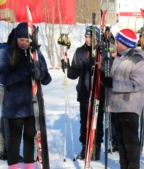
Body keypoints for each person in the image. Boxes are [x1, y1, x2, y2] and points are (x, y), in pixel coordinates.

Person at [0, 22, 52, 169]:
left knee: (30, 141)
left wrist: (38, 73)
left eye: (27, 41)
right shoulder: (6, 52)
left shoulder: (35, 52)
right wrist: (26, 69)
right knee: (14, 141)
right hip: (14, 105)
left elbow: (47, 78)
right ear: (16, 39)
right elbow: (4, 79)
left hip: (32, 105)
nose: (24, 43)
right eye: (21, 40)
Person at [103, 28, 144, 169]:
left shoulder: (138, 61)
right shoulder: (120, 58)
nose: (115, 44)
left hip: (129, 106)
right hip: (117, 106)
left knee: (130, 144)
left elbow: (136, 84)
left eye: (117, 41)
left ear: (124, 43)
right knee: (121, 142)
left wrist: (113, 83)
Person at [61, 26, 104, 160]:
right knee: (84, 122)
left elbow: (107, 71)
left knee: (97, 121)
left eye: (90, 37)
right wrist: (66, 68)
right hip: (84, 93)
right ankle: (85, 147)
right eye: (86, 36)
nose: (87, 39)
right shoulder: (80, 52)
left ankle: (96, 146)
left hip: (98, 92)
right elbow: (74, 73)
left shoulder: (102, 52)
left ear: (96, 38)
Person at [0, 28, 15, 161]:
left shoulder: (3, 48)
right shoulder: (6, 51)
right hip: (3, 87)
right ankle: (9, 152)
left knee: (4, 116)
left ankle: (1, 149)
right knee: (8, 118)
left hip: (2, 86)